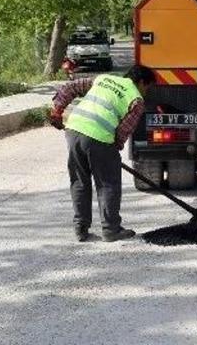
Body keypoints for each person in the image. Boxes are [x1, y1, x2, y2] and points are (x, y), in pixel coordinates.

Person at [49, 65, 155, 242]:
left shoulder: (103, 79)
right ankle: (111, 229)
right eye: (148, 88)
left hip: (74, 129)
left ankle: (80, 228)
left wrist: (57, 110)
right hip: (99, 136)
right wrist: (113, 150)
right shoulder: (136, 100)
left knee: (79, 181)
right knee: (108, 183)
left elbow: (70, 88)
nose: (146, 92)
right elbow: (123, 131)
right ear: (142, 82)